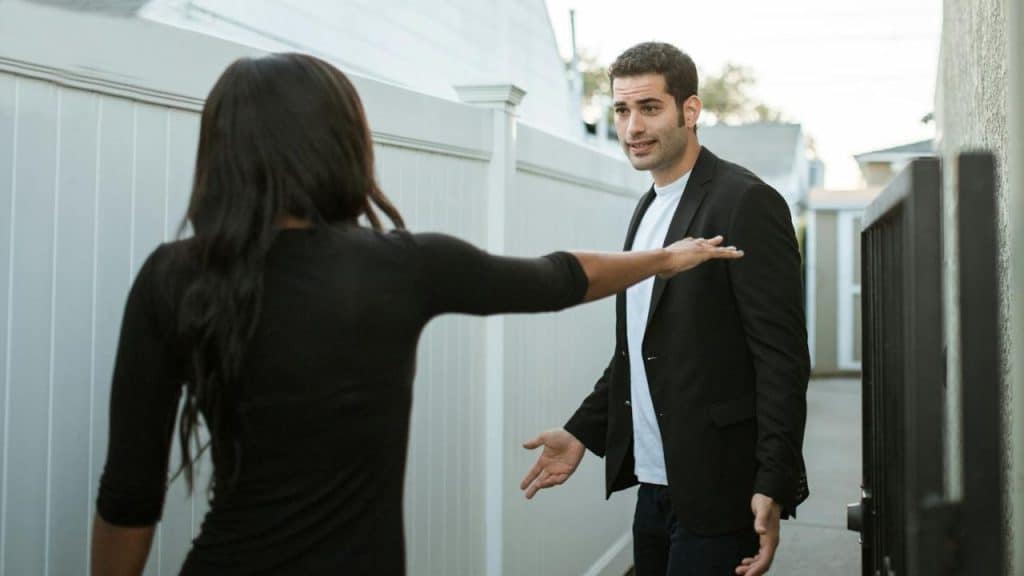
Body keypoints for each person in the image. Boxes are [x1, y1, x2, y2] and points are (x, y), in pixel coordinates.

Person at [89, 53, 743, 576]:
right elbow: (559, 277)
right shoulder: (400, 266)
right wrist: (664, 259)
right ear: (341, 143)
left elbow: (128, 495)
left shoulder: (174, 276)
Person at [520, 42, 809, 576]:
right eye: (621, 110)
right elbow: (638, 347)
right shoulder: (648, 206)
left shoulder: (746, 201)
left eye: (649, 108)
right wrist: (582, 432)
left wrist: (774, 481)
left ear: (689, 110)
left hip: (720, 489)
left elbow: (782, 358)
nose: (632, 127)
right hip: (653, 486)